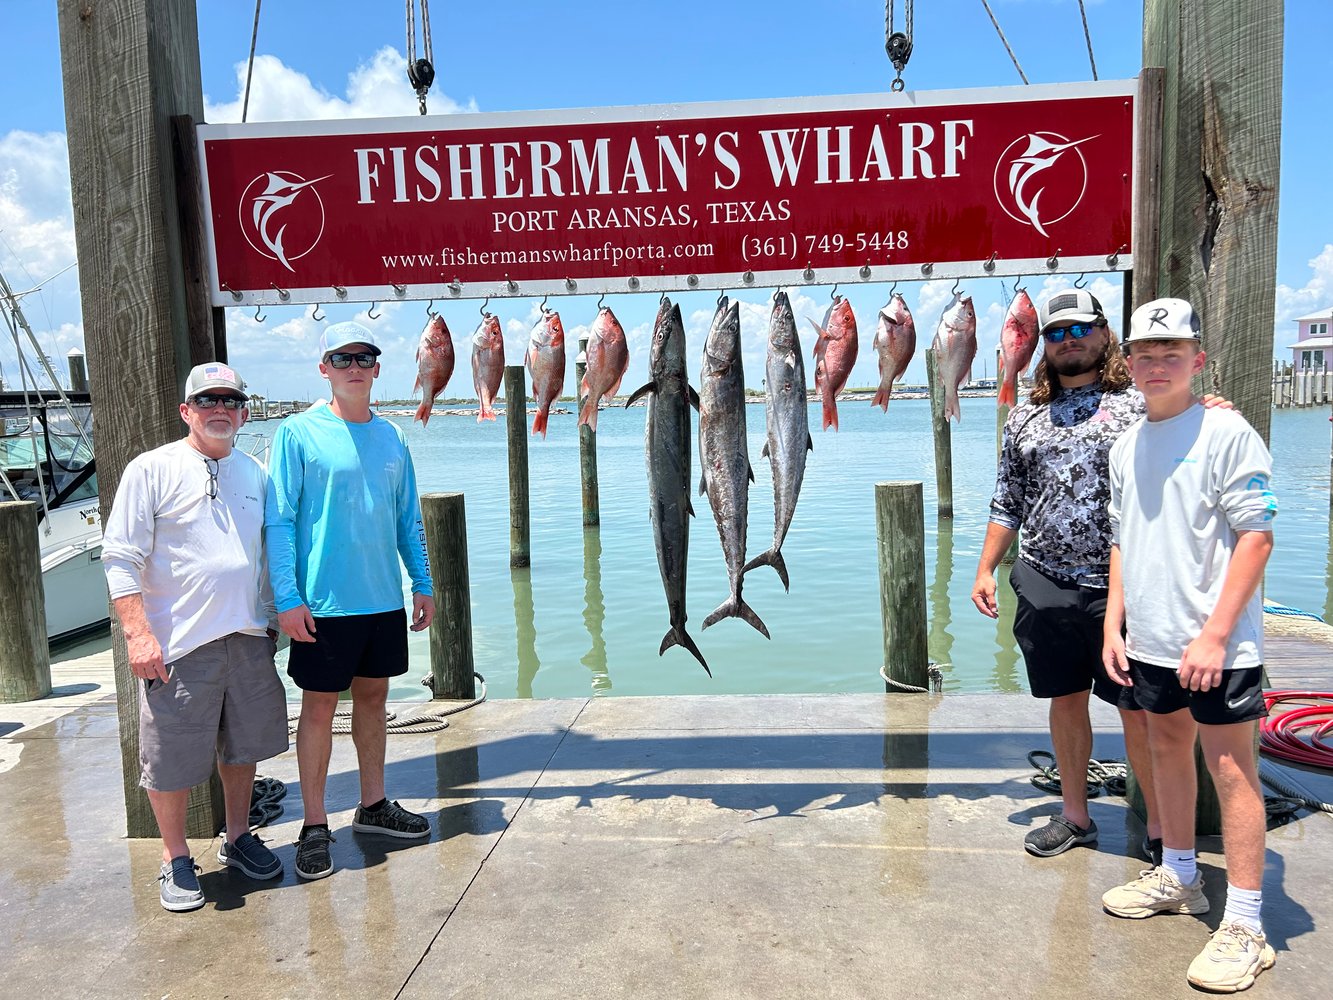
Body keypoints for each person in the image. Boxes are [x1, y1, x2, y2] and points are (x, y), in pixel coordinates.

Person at [1100, 297, 1277, 993]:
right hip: (1148, 637)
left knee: (1231, 771)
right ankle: (1178, 873)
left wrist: (1213, 635)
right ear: (1129, 365)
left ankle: (1245, 923)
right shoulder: (1124, 443)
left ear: (1196, 360)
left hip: (1216, 645)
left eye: (1170, 353)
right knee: (1162, 746)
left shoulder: (1228, 433)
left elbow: (1256, 538)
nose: (1155, 364)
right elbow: (1122, 538)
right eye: (1143, 354)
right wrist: (1114, 622)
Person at [971, 288, 1163, 860]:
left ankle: (1161, 830)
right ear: (1042, 347)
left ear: (1105, 335)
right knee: (1065, 698)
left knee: (1139, 710)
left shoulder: (1141, 404)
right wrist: (985, 568)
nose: (1068, 340)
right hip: (1045, 578)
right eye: (1055, 333)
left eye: (1080, 329)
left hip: (1127, 585)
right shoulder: (1024, 415)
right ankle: (1076, 816)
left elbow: (1191, 441)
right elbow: (1008, 500)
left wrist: (1215, 408)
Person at [102, 362, 288, 912]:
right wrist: (138, 635)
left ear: (244, 411)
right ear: (187, 411)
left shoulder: (255, 472)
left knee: (243, 748)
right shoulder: (150, 469)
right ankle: (175, 856)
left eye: (230, 400)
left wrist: (276, 619)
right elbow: (119, 558)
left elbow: (268, 555)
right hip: (178, 646)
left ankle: (236, 836)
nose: (220, 409)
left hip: (248, 636)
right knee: (171, 758)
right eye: (207, 400)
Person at [266, 321, 435, 881]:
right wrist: (287, 598)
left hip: (382, 599)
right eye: (343, 360)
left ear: (378, 369)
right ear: (325, 369)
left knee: (373, 700)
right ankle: (315, 825)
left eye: (365, 359)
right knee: (318, 708)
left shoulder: (393, 436)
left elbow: (408, 519)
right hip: (323, 604)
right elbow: (280, 521)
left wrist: (423, 582)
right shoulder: (296, 433)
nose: (355, 369)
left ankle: (373, 803)